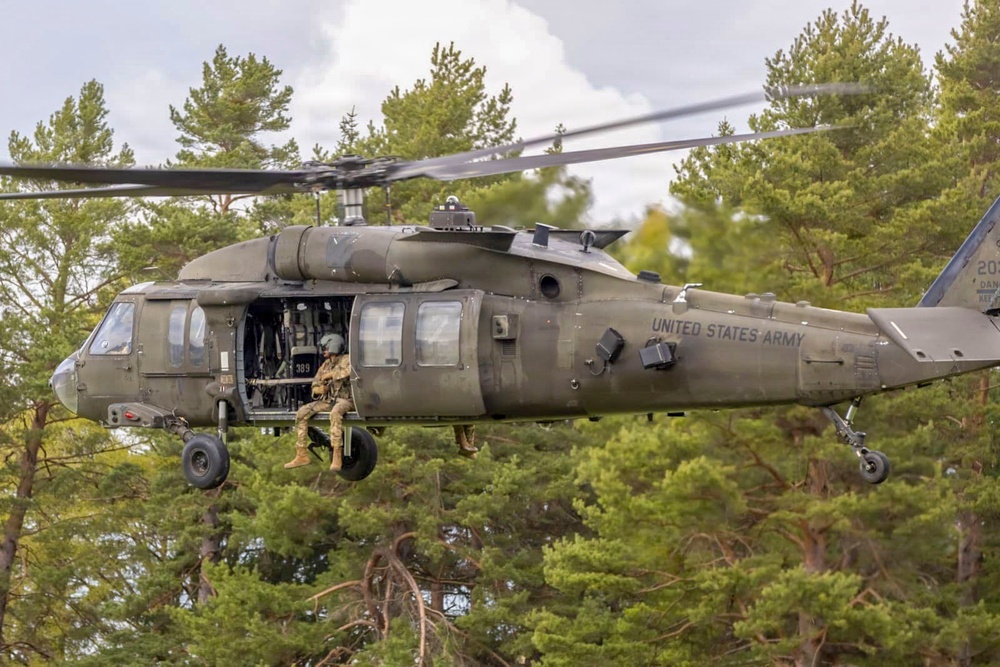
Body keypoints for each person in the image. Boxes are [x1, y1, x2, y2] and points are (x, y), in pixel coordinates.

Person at [285, 332, 354, 471]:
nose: (324, 351)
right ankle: (301, 453)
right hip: (329, 400)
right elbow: (315, 385)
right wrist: (320, 390)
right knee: (302, 412)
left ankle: (337, 454)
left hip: (346, 400)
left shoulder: (347, 360)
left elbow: (350, 371)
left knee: (335, 413)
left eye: (326, 348)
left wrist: (331, 375)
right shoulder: (325, 365)